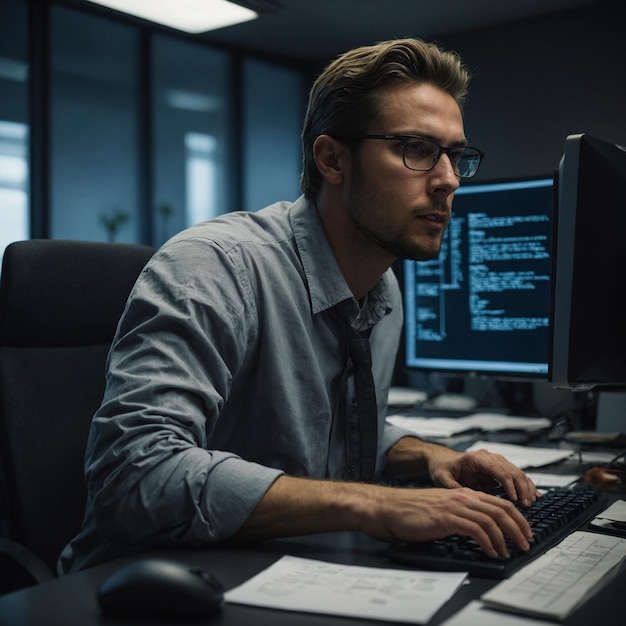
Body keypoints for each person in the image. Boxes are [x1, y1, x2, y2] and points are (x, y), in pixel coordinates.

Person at [59, 38, 539, 574]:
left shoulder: (383, 289)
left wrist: (431, 457)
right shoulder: (218, 267)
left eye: (456, 155)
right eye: (418, 149)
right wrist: (370, 502)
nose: (449, 179)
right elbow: (134, 477)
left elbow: (332, 432)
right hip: (150, 585)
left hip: (291, 570)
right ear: (333, 159)